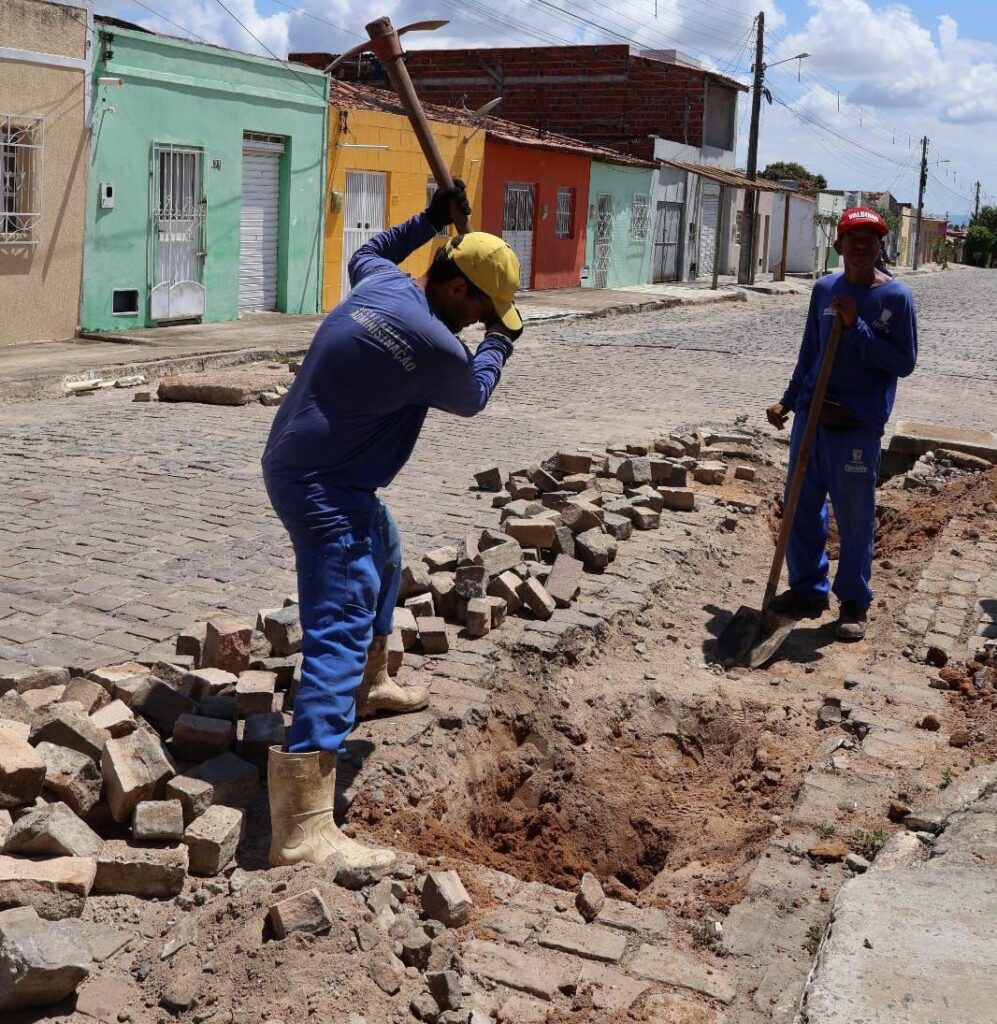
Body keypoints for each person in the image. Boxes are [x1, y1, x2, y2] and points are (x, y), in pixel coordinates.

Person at [261, 182, 522, 869]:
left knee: (384, 544)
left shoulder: (384, 282)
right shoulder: (433, 341)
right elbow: (472, 396)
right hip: (324, 485)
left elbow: (374, 247)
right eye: (483, 312)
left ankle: (371, 686)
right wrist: (501, 344)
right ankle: (302, 825)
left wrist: (429, 220)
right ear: (461, 292)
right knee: (340, 620)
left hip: (307, 462)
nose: (479, 324)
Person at [765, 206, 917, 641]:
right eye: (853, 237)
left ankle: (853, 600)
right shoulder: (824, 290)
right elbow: (809, 353)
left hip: (857, 425)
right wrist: (788, 400)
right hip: (812, 418)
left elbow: (903, 363)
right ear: (838, 246)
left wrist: (857, 329)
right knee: (800, 508)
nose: (861, 244)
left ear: (880, 246)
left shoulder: (895, 298)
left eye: (870, 237)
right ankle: (809, 590)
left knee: (853, 516)